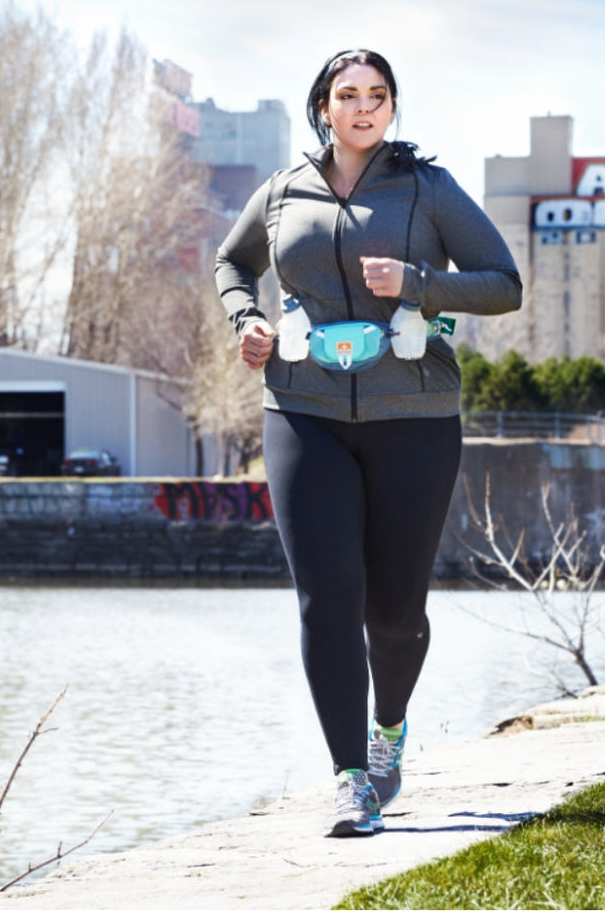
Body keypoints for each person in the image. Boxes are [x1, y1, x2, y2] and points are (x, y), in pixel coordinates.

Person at [212, 49, 522, 837]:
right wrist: (247, 321)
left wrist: (417, 282)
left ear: (391, 108)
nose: (362, 108)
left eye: (376, 96)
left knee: (394, 613)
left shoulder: (427, 188)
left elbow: (502, 282)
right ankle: (351, 779)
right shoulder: (284, 192)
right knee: (326, 600)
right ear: (323, 106)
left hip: (413, 416)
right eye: (347, 95)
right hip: (301, 408)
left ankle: (389, 732)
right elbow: (233, 262)